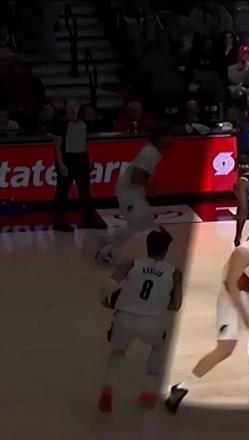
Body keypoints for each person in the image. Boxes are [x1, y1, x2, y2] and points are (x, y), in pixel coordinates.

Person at [165, 214, 249, 412]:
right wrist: (245, 316)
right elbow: (231, 284)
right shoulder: (243, 252)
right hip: (231, 302)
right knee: (225, 349)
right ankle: (182, 387)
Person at [98, 228, 183, 412]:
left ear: (147, 246)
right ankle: (148, 394)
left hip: (124, 318)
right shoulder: (174, 273)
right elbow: (176, 305)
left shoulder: (131, 264)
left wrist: (106, 300)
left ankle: (107, 392)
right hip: (153, 322)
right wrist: (157, 302)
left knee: (117, 353)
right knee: (158, 347)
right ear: (166, 250)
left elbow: (108, 283)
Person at [95, 124, 175, 263]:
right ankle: (104, 252)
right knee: (136, 223)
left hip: (135, 190)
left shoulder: (155, 152)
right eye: (169, 136)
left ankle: (107, 240)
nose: (172, 139)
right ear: (160, 138)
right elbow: (135, 177)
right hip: (127, 191)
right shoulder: (150, 153)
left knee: (146, 221)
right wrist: (151, 187)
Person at [52, 99, 100, 232]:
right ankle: (58, 221)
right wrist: (61, 164)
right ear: (65, 108)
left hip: (81, 158)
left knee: (85, 192)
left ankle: (89, 220)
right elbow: (57, 145)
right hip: (67, 159)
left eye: (75, 106)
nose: (73, 109)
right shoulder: (61, 123)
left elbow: (83, 142)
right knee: (62, 192)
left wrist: (89, 159)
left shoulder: (82, 123)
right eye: (70, 106)